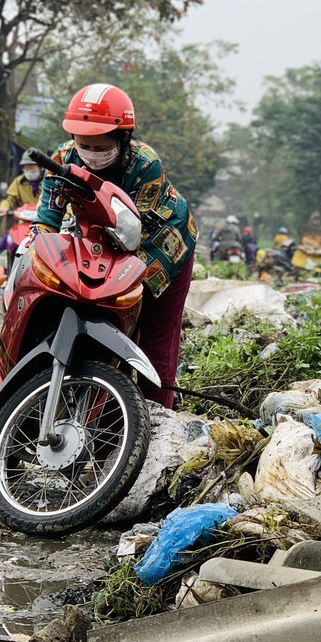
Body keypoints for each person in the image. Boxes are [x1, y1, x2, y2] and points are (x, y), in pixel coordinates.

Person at [31, 83, 197, 408]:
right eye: (84, 145)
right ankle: (105, 424)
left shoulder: (145, 164)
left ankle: (156, 424)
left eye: (101, 146)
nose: (91, 154)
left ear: (123, 138)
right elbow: (45, 220)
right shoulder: (62, 159)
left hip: (159, 244)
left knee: (150, 342)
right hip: (102, 243)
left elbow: (130, 235)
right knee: (98, 336)